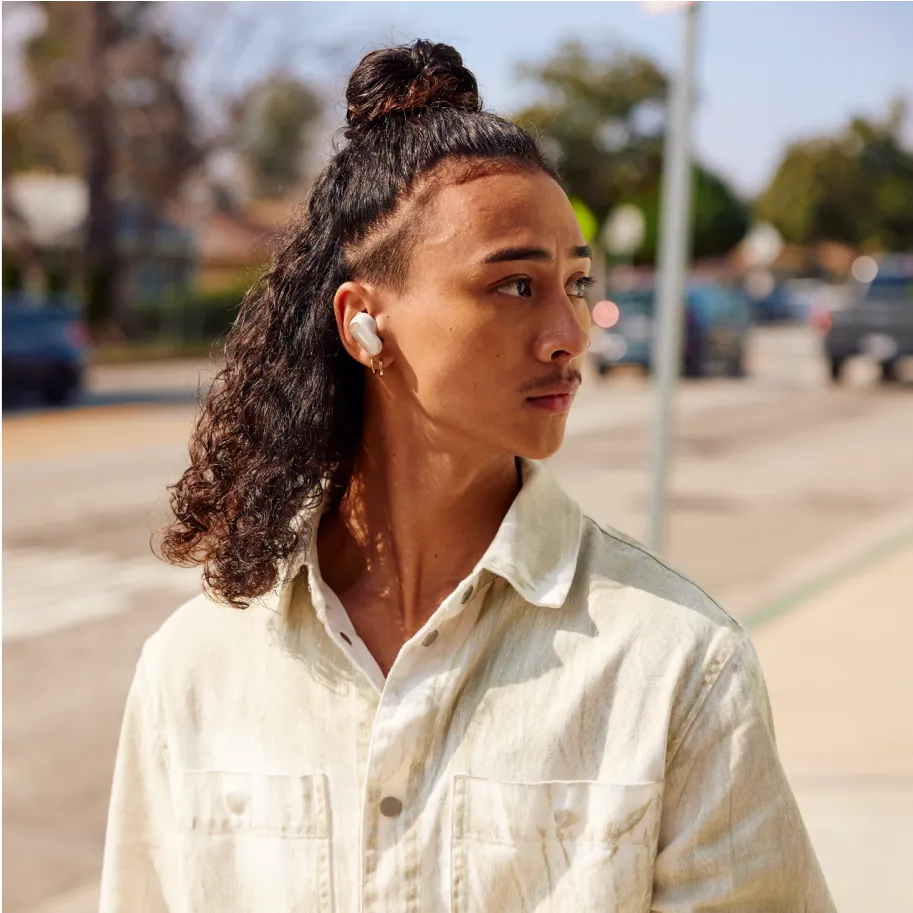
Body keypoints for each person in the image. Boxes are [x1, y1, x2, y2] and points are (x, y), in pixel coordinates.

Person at [99, 39, 835, 913]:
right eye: (514, 285)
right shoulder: (197, 667)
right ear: (364, 321)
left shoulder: (675, 665)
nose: (569, 330)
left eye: (575, 280)